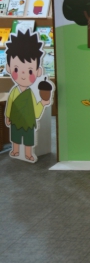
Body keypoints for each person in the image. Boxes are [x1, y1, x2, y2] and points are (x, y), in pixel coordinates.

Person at [5, 30, 50, 163]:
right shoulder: (14, 91)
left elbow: (35, 109)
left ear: (38, 71)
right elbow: (10, 104)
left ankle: (28, 153)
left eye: (30, 71)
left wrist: (42, 103)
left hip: (28, 121)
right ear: (9, 68)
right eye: (17, 69)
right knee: (15, 135)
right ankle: (16, 150)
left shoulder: (32, 93)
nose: (23, 74)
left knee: (29, 137)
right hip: (15, 119)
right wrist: (8, 116)